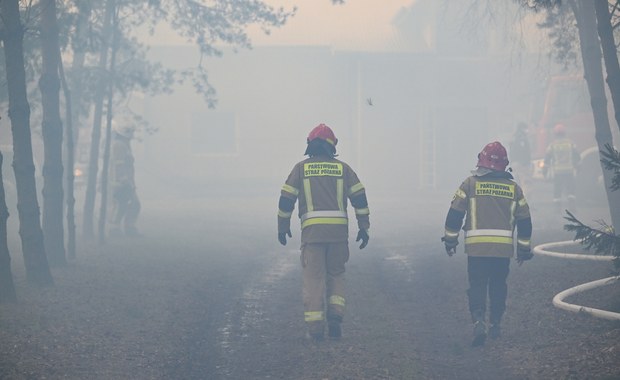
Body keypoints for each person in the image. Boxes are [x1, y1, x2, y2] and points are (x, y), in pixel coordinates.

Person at [277, 123, 370, 341]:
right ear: (332, 147)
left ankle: (316, 329)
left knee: (314, 278)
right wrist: (364, 226)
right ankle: (336, 317)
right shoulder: (343, 169)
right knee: (336, 274)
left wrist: (282, 227)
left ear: (310, 145)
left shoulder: (301, 169)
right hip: (338, 235)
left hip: (312, 235)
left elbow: (286, 199)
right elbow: (360, 198)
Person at [442, 141, 533, 347]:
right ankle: (496, 324)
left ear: (481, 161)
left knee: (477, 285)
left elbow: (455, 214)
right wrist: (524, 249)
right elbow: (525, 220)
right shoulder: (514, 188)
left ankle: (478, 319)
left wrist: (450, 240)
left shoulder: (470, 184)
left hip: (477, 249)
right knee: (498, 286)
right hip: (502, 251)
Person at [109, 122, 141, 237]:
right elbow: (119, 164)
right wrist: (124, 179)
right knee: (128, 204)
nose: (132, 135)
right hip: (121, 182)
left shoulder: (123, 144)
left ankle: (128, 228)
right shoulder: (119, 145)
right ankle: (116, 229)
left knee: (130, 204)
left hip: (126, 181)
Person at [543, 123, 580, 213]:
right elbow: (577, 156)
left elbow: (547, 158)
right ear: (565, 133)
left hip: (558, 171)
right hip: (569, 170)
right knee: (570, 189)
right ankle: (572, 207)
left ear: (555, 134)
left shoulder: (552, 145)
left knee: (557, 190)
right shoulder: (570, 143)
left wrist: (545, 170)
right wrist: (578, 166)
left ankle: (557, 209)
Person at [509, 122, 532, 190]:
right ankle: (523, 198)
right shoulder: (522, 138)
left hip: (514, 163)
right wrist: (525, 162)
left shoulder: (514, 137)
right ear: (522, 128)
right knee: (525, 182)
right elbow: (523, 151)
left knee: (517, 182)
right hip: (521, 164)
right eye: (526, 128)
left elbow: (511, 150)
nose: (527, 130)